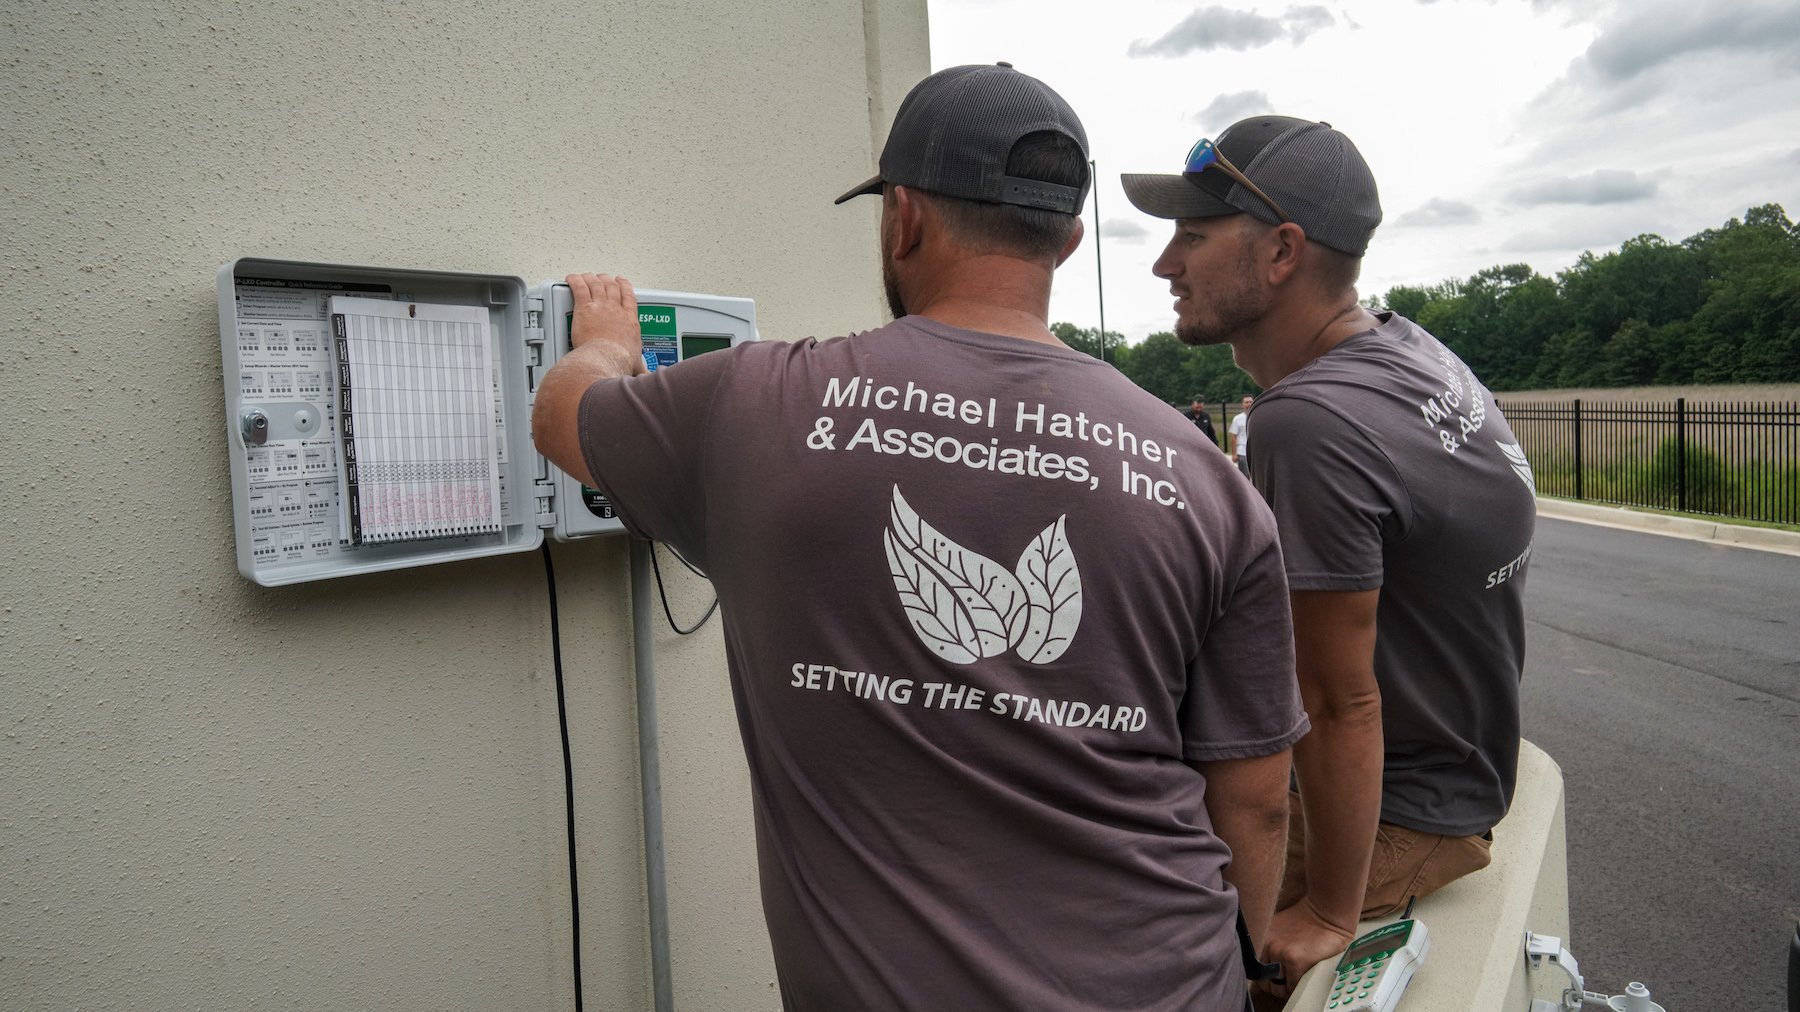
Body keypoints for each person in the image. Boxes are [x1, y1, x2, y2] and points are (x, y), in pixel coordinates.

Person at [532, 64, 1309, 1011]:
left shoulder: (754, 407)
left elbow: (565, 418)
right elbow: (1258, 797)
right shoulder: (1206, 479)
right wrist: (1237, 967)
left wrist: (606, 338)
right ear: (1066, 242)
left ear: (903, 218)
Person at [1122, 116, 1537, 1000]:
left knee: (1141, 922)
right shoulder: (1410, 348)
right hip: (1463, 763)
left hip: (1402, 810)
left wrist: (1328, 916)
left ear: (1281, 253)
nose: (1166, 264)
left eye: (1193, 237)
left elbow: (1335, 701)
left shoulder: (1307, 420)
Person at [1226, 395, 1253, 476]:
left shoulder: (1257, 416)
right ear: (1242, 404)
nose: (1248, 404)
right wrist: (1234, 454)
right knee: (1245, 476)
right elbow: (1233, 436)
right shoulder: (1237, 419)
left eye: (1250, 402)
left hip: (1255, 452)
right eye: (1246, 402)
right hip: (1242, 451)